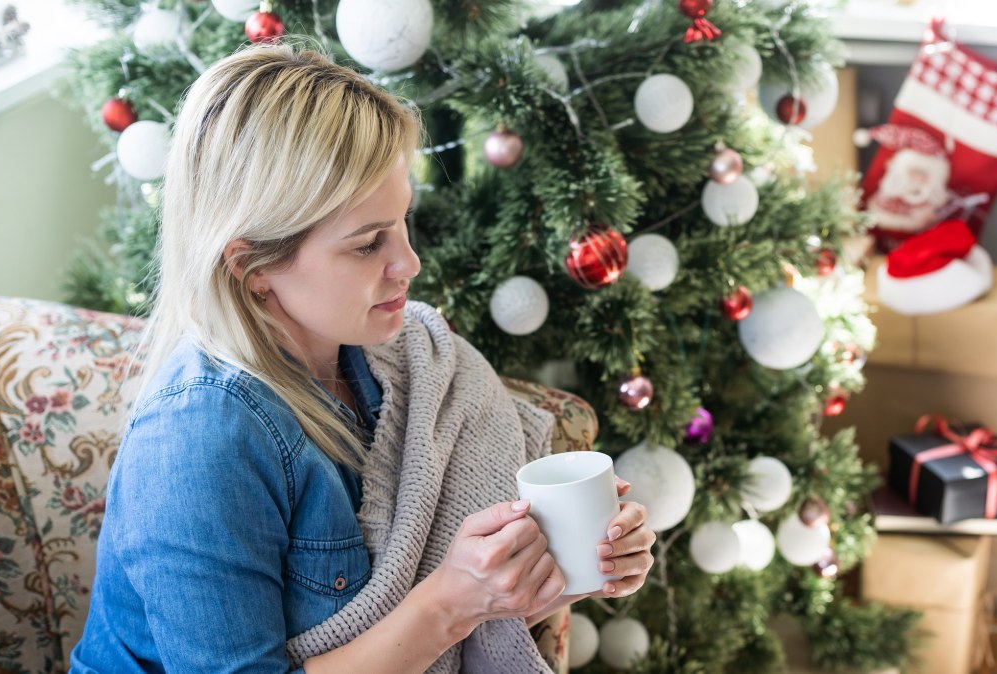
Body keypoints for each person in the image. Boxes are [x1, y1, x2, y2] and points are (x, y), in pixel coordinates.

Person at [70, 43, 655, 673]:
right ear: (251, 268)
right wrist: (448, 604)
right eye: (367, 244)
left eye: (402, 222)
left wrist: (574, 566)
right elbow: (437, 616)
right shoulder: (199, 437)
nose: (410, 264)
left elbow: (475, 626)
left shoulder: (400, 366)